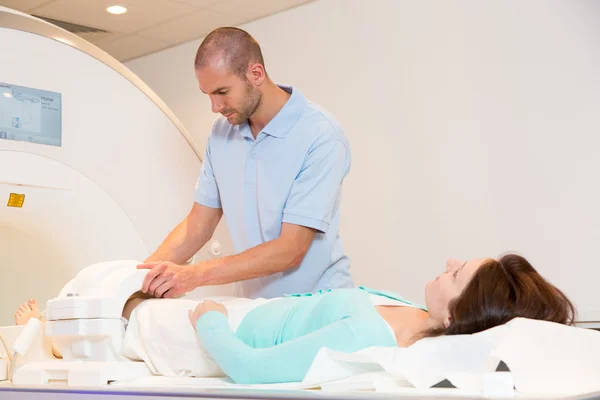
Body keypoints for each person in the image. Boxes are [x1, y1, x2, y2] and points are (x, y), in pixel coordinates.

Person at [137, 26, 353, 300]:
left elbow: (291, 249)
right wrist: (140, 279)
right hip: (256, 309)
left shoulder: (321, 135)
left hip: (319, 305)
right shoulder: (221, 133)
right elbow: (197, 226)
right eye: (208, 95)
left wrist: (195, 275)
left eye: (222, 91)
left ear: (256, 74)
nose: (215, 106)